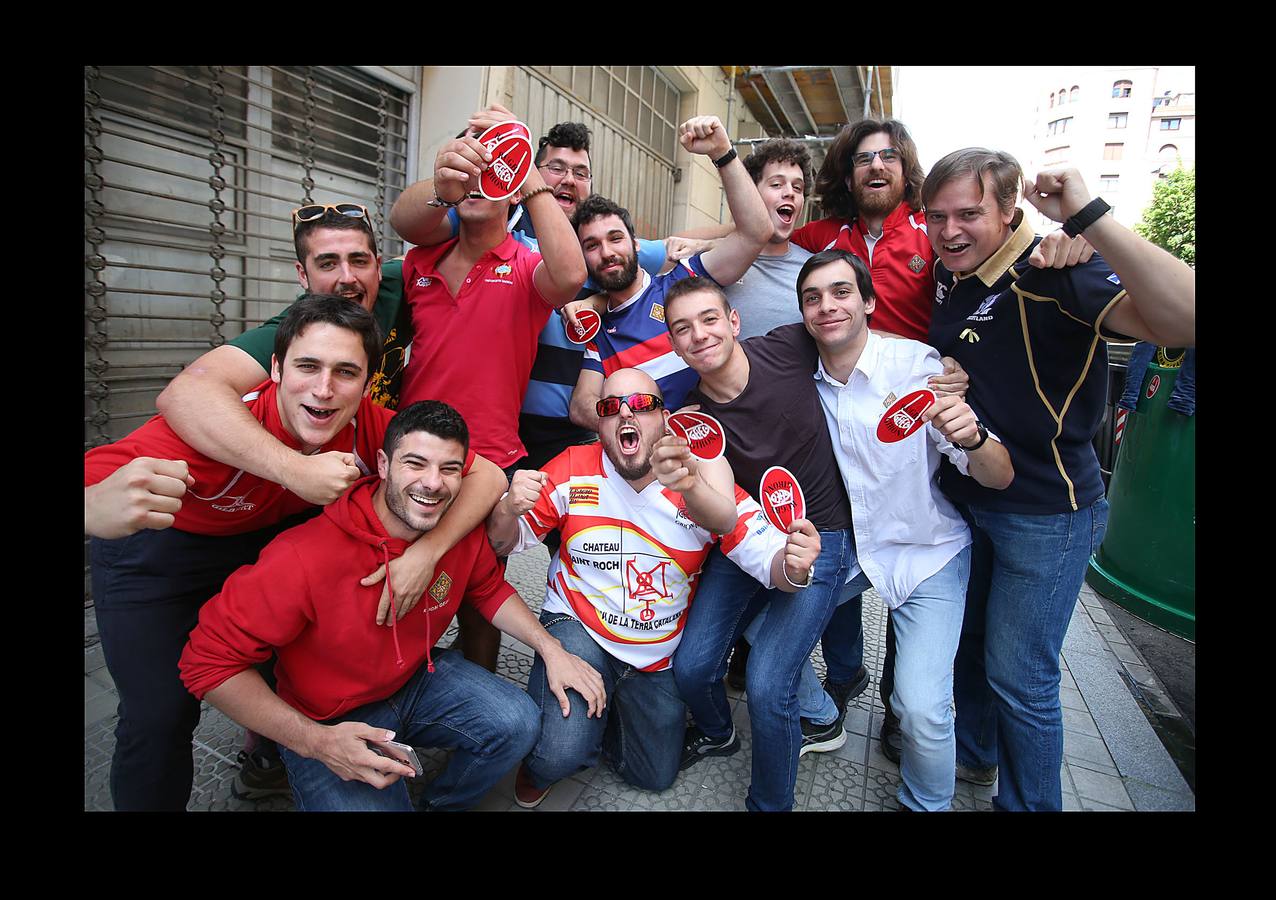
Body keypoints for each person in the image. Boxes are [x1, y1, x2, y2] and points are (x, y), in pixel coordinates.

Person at [84, 295, 505, 810]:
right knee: (160, 713)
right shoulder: (204, 436)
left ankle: (272, 755)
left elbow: (486, 474)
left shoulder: (360, 424)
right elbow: (163, 419)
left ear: (368, 380)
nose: (324, 390)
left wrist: (429, 553)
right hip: (156, 555)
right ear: (277, 369)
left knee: (273, 658)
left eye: (346, 372)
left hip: (251, 546)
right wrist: (90, 508)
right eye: (307, 366)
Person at [922, 152, 1195, 810]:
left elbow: (1184, 320)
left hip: (1046, 515)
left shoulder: (1059, 270)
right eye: (937, 217)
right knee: (972, 651)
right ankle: (976, 763)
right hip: (970, 503)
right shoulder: (951, 275)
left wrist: (1089, 219)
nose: (949, 230)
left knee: (1022, 680)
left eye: (968, 214)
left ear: (1009, 210)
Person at [179, 400, 605, 811]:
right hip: (329, 719)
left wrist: (551, 649)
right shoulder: (302, 557)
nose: (433, 483)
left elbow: (488, 589)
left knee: (519, 721)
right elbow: (207, 664)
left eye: (449, 469)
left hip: (416, 679)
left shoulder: (453, 527)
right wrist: (315, 742)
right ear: (382, 464)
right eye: (415, 463)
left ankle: (444, 804)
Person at [486, 367, 820, 808]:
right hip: (577, 627)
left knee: (655, 775)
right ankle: (567, 739)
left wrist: (794, 565)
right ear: (599, 423)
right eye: (610, 408)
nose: (627, 415)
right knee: (553, 756)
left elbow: (769, 562)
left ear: (665, 417)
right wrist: (509, 507)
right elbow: (502, 541)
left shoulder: (698, 483)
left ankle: (600, 720)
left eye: (642, 405)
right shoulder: (571, 468)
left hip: (655, 654)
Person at [795, 249, 1013, 810]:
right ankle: (822, 718)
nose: (827, 306)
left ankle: (926, 803)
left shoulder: (918, 367)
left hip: (926, 549)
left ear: (869, 302)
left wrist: (973, 437)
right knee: (750, 623)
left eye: (842, 292)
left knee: (920, 706)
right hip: (849, 553)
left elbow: (996, 475)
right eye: (813, 297)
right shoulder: (799, 379)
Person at [390, 111, 671, 472]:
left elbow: (584, 271)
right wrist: (443, 181)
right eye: (471, 165)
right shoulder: (426, 254)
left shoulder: (548, 258)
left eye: (580, 172)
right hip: (412, 444)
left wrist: (525, 172)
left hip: (509, 450)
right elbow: (403, 220)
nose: (478, 178)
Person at [566, 114, 773, 432]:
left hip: (746, 435)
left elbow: (755, 233)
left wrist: (722, 153)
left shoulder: (684, 280)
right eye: (591, 245)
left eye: (615, 238)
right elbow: (582, 408)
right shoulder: (600, 334)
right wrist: (654, 428)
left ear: (636, 245)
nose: (606, 252)